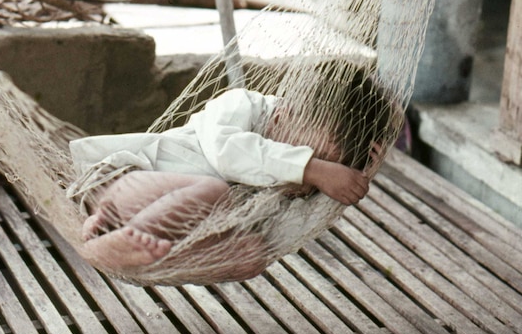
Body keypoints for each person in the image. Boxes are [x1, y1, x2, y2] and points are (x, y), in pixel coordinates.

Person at [69, 63, 399, 277]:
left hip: (160, 233)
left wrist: (358, 177)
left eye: (325, 168)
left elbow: (288, 229)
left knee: (249, 254)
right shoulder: (242, 106)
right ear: (285, 114)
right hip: (123, 181)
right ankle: (109, 243)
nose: (311, 176)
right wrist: (311, 169)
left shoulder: (286, 184)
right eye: (310, 155)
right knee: (215, 191)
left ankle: (133, 251)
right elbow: (227, 153)